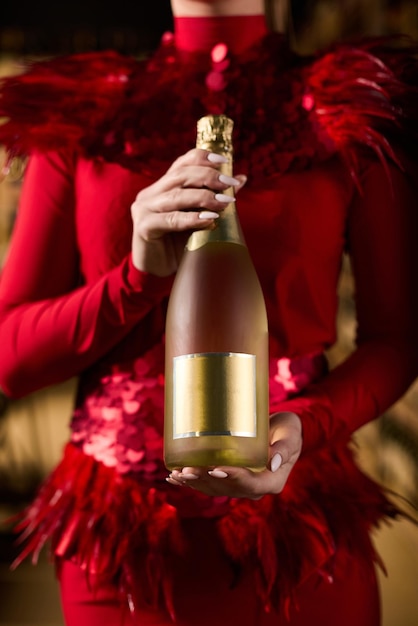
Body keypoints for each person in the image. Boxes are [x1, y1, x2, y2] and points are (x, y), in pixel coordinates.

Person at [0, 0, 417, 624]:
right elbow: (8, 356)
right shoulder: (84, 112)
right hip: (122, 556)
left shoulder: (347, 109)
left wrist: (306, 425)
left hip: (303, 541)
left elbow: (398, 340)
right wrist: (136, 279)